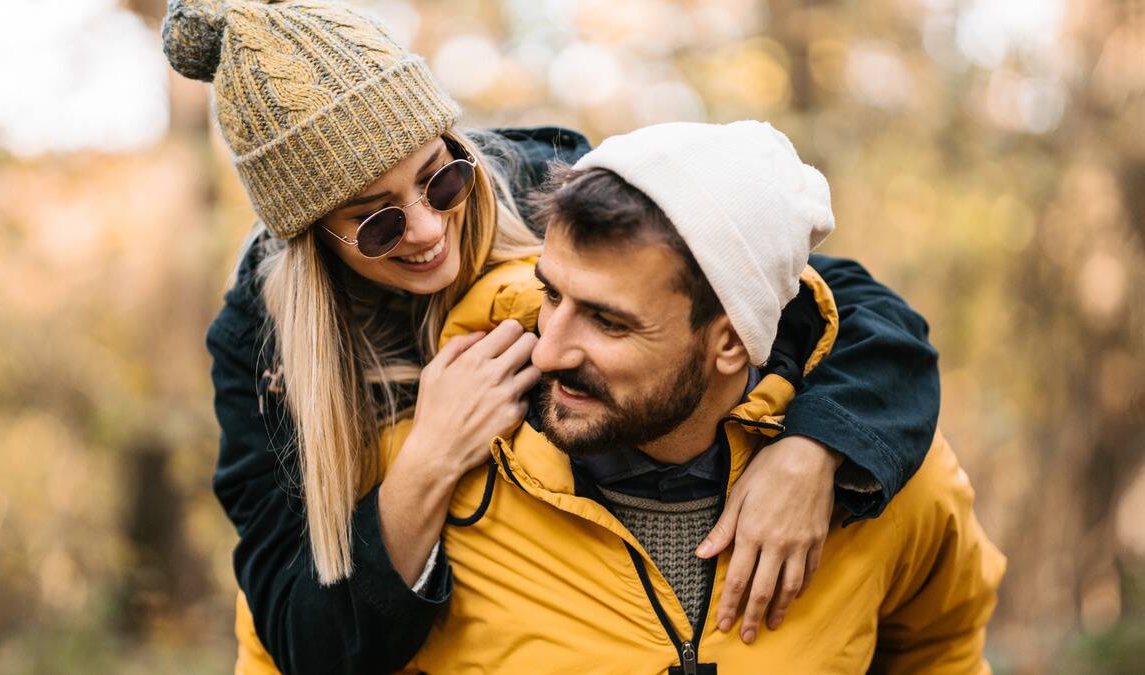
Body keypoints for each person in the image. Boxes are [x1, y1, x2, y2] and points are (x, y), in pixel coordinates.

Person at [159, 1, 942, 672]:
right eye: (378, 218)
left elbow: (849, 308)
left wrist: (815, 451)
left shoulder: (549, 187)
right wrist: (428, 461)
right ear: (315, 239)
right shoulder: (262, 355)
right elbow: (303, 637)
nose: (430, 229)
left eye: (440, 177)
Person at [395, 121, 1005, 672]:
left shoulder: (880, 479)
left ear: (731, 344)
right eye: (551, 295)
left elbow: (943, 652)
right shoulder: (430, 463)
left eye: (609, 322)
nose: (547, 352)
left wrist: (818, 453)